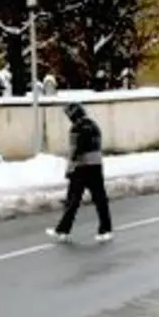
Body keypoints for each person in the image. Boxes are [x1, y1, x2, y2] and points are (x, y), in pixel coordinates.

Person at [48, 102, 112, 242]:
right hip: (96, 165)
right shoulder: (94, 126)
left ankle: (62, 230)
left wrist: (69, 170)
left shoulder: (76, 128)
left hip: (82, 167)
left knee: (73, 200)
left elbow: (74, 151)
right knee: (100, 199)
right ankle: (106, 229)